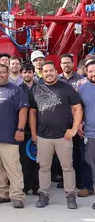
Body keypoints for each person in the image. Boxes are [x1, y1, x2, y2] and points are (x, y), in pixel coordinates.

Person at [29, 61, 82, 209]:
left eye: (51, 70)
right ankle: (44, 194)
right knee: (44, 167)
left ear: (55, 71)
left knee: (67, 167)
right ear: (42, 73)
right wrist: (33, 133)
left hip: (63, 136)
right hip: (43, 136)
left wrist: (74, 129)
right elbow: (32, 113)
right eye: (45, 71)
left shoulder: (66, 88)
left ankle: (70, 195)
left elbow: (77, 108)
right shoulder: (35, 89)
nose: (49, 73)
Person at [0, 64, 28, 208]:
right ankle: (2, 194)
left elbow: (23, 110)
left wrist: (20, 129)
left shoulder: (16, 90)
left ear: (7, 73)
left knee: (13, 168)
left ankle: (17, 196)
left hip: (10, 138)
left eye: (2, 72)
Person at [58, 54, 88, 196]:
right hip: (62, 122)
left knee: (79, 152)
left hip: (79, 122)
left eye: (68, 63)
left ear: (73, 63)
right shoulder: (57, 80)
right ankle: (64, 179)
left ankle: (81, 180)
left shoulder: (82, 81)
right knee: (63, 152)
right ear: (60, 65)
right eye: (63, 63)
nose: (66, 65)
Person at [19, 63, 39, 195]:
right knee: (24, 160)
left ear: (33, 73)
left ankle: (37, 186)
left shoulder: (40, 88)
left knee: (37, 160)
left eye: (29, 72)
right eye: (25, 72)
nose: (27, 74)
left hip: (39, 130)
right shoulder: (17, 89)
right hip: (23, 130)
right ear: (21, 74)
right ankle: (26, 185)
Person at [78, 59, 95, 209]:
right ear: (86, 73)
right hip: (90, 134)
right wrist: (79, 123)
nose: (93, 74)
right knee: (90, 165)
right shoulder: (81, 89)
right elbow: (78, 110)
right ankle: (89, 188)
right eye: (90, 71)